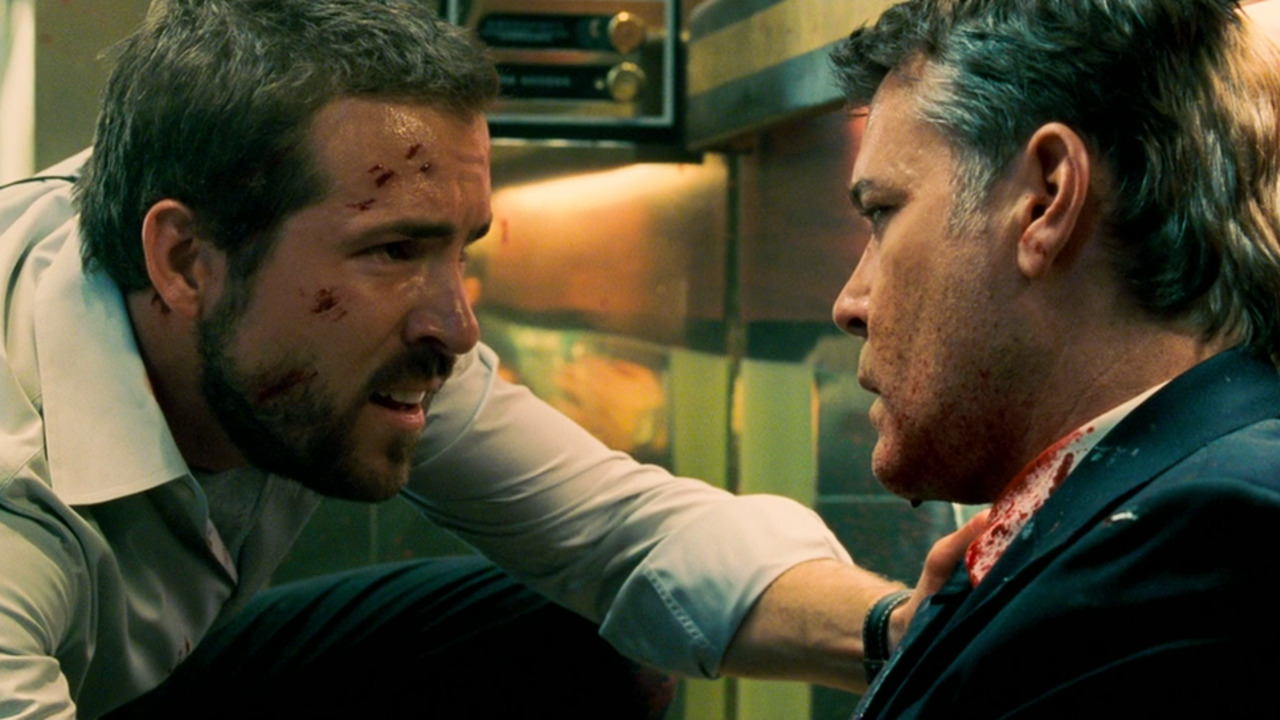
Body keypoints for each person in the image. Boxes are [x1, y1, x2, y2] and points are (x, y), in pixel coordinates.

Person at [0, 0, 969, 717]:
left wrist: (912, 631)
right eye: (394, 250)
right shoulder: (19, 487)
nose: (457, 328)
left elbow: (621, 535)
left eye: (457, 251)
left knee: (579, 632)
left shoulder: (291, 316)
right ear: (183, 261)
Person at [825, 0, 1280, 717]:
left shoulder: (1201, 548)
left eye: (882, 212)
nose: (850, 304)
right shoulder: (1123, 523)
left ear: (1044, 200)